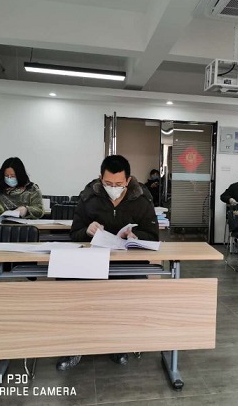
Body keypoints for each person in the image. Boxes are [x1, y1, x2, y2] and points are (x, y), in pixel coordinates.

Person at [57, 155, 159, 371]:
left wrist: (136, 236)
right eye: (108, 183)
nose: (113, 188)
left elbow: (153, 235)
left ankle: (119, 344)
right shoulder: (89, 197)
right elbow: (74, 233)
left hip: (127, 263)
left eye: (118, 184)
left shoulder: (142, 199)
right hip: (91, 260)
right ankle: (75, 345)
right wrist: (87, 230)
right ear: (100, 178)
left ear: (128, 180)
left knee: (125, 294)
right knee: (75, 293)